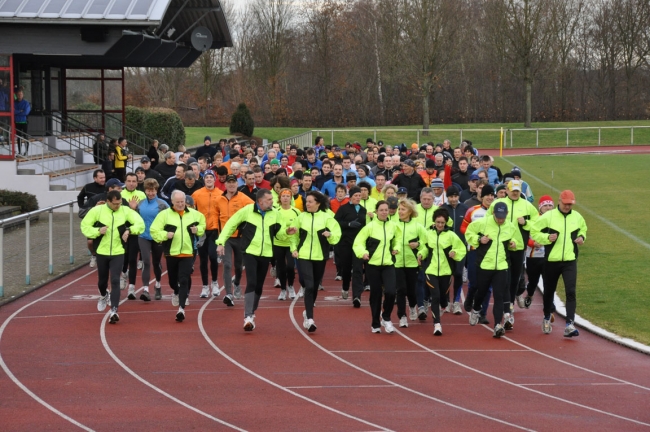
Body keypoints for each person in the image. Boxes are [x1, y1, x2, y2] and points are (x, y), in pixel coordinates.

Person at [216, 189, 292, 331]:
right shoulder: (247, 211)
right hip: (250, 251)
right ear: (260, 201)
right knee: (251, 281)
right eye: (269, 200)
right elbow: (230, 224)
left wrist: (287, 232)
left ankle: (252, 311)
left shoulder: (276, 213)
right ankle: (248, 315)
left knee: (259, 285)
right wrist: (221, 242)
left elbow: (279, 234)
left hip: (267, 253)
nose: (273, 202)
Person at [80, 190, 145, 324]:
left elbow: (140, 224)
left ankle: (114, 311)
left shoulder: (125, 210)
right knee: (102, 282)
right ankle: (104, 295)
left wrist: (129, 230)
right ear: (108, 202)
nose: (118, 206)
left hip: (118, 251)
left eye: (120, 203)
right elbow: (84, 226)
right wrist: (97, 231)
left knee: (115, 280)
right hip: (102, 252)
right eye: (115, 204)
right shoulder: (97, 211)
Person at [531, 190, 587, 337]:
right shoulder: (548, 216)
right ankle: (547, 317)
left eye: (570, 204)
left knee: (571, 291)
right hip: (552, 261)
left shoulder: (577, 217)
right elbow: (534, 231)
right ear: (559, 201)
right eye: (566, 203)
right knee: (549, 291)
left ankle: (569, 324)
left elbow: (583, 229)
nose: (568, 207)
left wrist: (582, 237)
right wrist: (547, 237)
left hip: (570, 261)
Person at [486, 179, 539, 331]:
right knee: (503, 277)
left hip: (518, 247)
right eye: (512, 190)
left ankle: (509, 305)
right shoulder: (499, 204)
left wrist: (525, 223)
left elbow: (537, 223)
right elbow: (488, 220)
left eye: (517, 190)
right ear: (507, 190)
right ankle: (504, 307)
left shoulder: (527, 206)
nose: (515, 193)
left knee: (515, 277)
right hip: (501, 246)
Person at [150, 190, 206, 322]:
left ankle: (181, 309)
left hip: (187, 252)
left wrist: (197, 230)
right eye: (178, 202)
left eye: (182, 202)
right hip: (171, 253)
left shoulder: (194, 214)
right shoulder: (164, 215)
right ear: (172, 202)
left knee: (184, 278)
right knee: (172, 281)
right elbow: (154, 230)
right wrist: (165, 235)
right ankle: (176, 291)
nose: (181, 204)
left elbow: (203, 224)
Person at [465, 201, 518, 338]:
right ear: (493, 213)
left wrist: (513, 243)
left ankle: (497, 325)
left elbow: (516, 241)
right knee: (481, 292)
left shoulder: (511, 227)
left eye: (503, 217)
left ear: (506, 215)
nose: (500, 219)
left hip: (501, 266)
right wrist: (478, 239)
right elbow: (469, 232)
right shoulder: (483, 223)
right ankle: (476, 310)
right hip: (484, 265)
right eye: (498, 216)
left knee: (499, 295)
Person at [290, 191, 341, 332]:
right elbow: (293, 235)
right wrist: (294, 248)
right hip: (304, 255)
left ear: (318, 203)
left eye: (311, 202)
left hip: (320, 256)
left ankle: (308, 311)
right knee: (310, 285)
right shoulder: (301, 217)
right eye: (307, 202)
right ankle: (310, 319)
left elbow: (337, 235)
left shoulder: (327, 217)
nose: (308, 204)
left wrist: (330, 235)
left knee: (315, 286)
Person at [353, 200, 400, 334]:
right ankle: (375, 323)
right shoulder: (370, 227)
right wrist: (363, 253)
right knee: (376, 294)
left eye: (386, 210)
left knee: (391, 292)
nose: (384, 212)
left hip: (388, 264)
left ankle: (386, 317)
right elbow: (358, 242)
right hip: (373, 265)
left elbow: (397, 240)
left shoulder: (393, 226)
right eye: (381, 210)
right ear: (376, 212)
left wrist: (396, 248)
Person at [424, 208, 467, 335]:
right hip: (431, 270)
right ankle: (437, 324)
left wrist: (455, 253)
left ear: (446, 223)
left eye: (442, 223)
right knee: (435, 296)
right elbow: (424, 248)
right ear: (434, 221)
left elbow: (462, 249)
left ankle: (444, 303)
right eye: (438, 222)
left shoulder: (451, 235)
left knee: (443, 297)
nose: (440, 225)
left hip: (446, 271)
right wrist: (421, 254)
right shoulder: (428, 234)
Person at [216, 175, 254, 305]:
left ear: (237, 184)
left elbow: (254, 210)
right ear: (225, 184)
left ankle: (237, 282)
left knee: (239, 266)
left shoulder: (244, 198)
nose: (231, 185)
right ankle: (228, 293)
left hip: (240, 238)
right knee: (227, 265)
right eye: (229, 183)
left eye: (233, 183)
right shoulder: (219, 199)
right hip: (225, 238)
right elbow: (216, 217)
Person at [460, 184, 495, 324]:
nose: (490, 197)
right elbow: (463, 227)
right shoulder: (472, 211)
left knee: (487, 285)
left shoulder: (498, 212)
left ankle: (482, 313)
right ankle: (470, 297)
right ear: (482, 196)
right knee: (474, 281)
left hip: (491, 253)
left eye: (492, 195)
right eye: (487, 195)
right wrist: (475, 236)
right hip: (474, 250)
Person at [394, 199, 428, 328]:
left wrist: (418, 245)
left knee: (411, 290)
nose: (400, 211)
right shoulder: (394, 224)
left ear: (410, 211)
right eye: (399, 209)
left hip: (412, 262)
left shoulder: (417, 226)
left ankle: (413, 306)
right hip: (397, 262)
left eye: (403, 209)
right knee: (401, 289)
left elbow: (426, 242)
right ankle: (402, 316)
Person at [191, 171, 223, 299]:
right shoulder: (197, 194)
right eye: (207, 177)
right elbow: (191, 210)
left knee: (213, 256)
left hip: (215, 230)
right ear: (203, 180)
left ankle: (214, 282)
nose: (209, 179)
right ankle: (205, 286)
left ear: (215, 180)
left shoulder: (221, 194)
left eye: (211, 177)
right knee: (203, 259)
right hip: (202, 230)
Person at [136, 179, 168, 300]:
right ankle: (145, 289)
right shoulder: (140, 204)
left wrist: (165, 234)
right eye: (148, 191)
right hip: (143, 236)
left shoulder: (162, 204)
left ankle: (158, 284)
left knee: (156, 262)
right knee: (146, 261)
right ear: (145, 190)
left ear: (156, 190)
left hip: (157, 237)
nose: (150, 193)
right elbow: (134, 218)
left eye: (153, 190)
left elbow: (169, 218)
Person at [334, 187, 367, 306]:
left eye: (359, 195)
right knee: (346, 268)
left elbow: (365, 226)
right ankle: (345, 287)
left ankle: (357, 296)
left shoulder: (363, 210)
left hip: (358, 244)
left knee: (358, 269)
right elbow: (336, 222)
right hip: (345, 243)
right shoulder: (343, 209)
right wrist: (348, 224)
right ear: (351, 196)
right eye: (356, 195)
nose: (358, 197)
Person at [441, 186, 469, 314]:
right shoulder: (442, 209)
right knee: (446, 275)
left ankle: (456, 302)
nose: (453, 199)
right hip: (445, 248)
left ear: (459, 196)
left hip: (460, 248)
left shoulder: (465, 208)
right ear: (447, 197)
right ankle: (446, 302)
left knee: (458, 274)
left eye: (455, 196)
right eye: (451, 197)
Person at [523, 195, 554, 309]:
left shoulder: (556, 220)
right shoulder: (534, 219)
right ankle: (530, 294)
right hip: (533, 256)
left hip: (549, 257)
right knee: (533, 282)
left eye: (550, 205)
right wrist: (533, 243)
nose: (548, 208)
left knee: (549, 282)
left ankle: (550, 305)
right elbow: (524, 236)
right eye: (545, 205)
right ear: (540, 207)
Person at [275, 188, 301, 300]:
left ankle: (290, 286)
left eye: (287, 196)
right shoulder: (276, 211)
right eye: (283, 196)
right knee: (281, 268)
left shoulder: (296, 212)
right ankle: (283, 289)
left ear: (291, 198)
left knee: (290, 267)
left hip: (291, 244)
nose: (285, 198)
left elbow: (300, 226)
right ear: (280, 198)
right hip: (278, 243)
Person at [14, 90, 31, 155]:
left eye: (21, 94)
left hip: (24, 122)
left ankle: (26, 151)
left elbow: (26, 112)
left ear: (23, 95)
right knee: (19, 137)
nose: (19, 96)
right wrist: (20, 111)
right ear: (16, 95)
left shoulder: (26, 103)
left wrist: (17, 112)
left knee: (25, 136)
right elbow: (12, 111)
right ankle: (19, 151)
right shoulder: (14, 103)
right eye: (18, 94)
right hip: (17, 121)